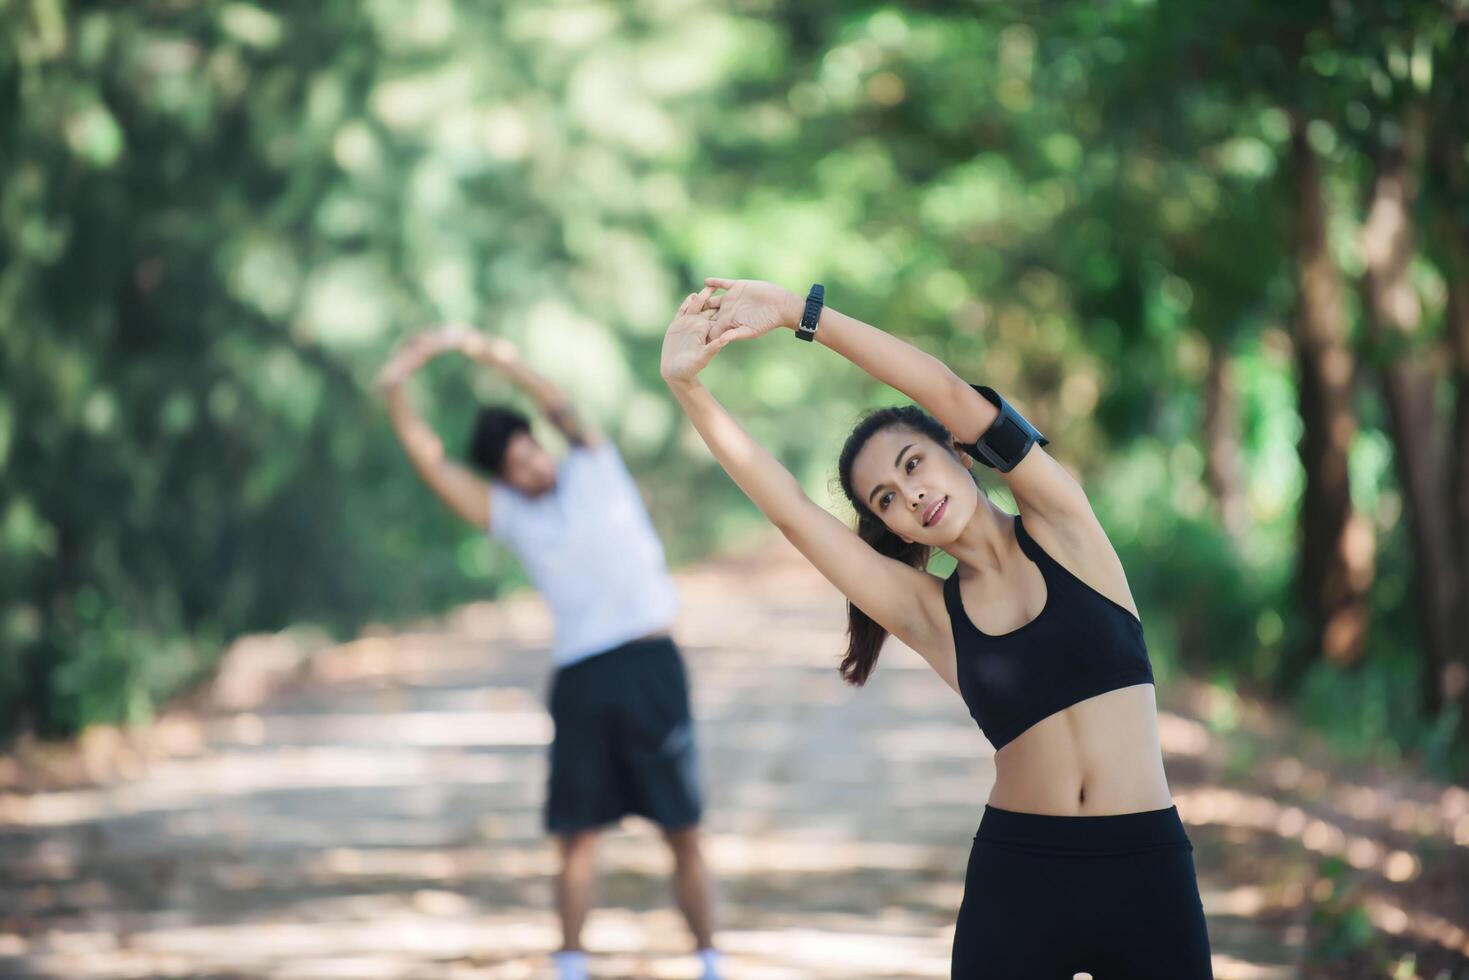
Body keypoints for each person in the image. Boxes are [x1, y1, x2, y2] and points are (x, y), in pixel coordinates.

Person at [660, 282, 1213, 978]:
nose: (910, 494)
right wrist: (689, 391)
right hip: (1020, 877)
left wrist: (799, 314)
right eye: (884, 499)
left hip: (1144, 868)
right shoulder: (930, 615)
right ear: (887, 526)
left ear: (957, 451)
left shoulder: (1065, 527)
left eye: (912, 464)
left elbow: (948, 389)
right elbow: (794, 515)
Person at [377, 325, 722, 980]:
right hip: (582, 678)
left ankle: (709, 960)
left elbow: (554, 398)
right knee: (576, 835)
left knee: (683, 828)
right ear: (502, 478)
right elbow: (431, 462)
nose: (531, 467)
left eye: (529, 451)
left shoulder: (594, 463)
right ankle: (569, 964)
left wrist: (483, 350)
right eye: (513, 466)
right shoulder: (511, 515)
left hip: (652, 664)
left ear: (538, 442)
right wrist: (396, 389)